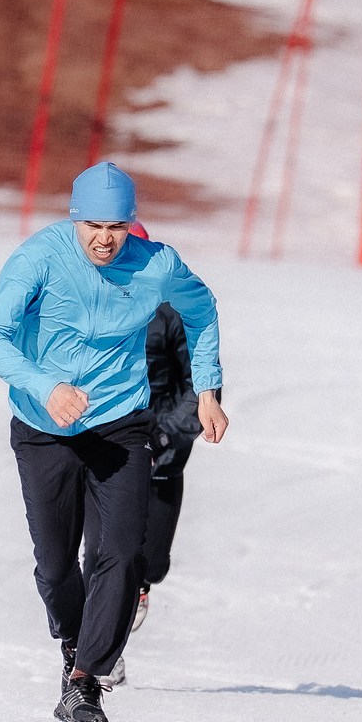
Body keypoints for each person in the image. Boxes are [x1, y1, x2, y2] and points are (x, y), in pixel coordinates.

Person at [0, 162, 228, 722]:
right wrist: (45, 386)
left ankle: (86, 681)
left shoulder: (157, 263)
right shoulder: (38, 257)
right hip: (45, 426)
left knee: (120, 551)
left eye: (117, 226)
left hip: (120, 422)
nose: (106, 239)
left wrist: (208, 389)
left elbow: (203, 310)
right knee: (57, 563)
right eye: (93, 225)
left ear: (130, 223)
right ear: (74, 218)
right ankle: (72, 641)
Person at [100, 219, 210, 692]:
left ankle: (134, 600)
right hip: (108, 450)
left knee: (147, 561)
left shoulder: (175, 313)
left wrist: (162, 439)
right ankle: (102, 650)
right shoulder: (93, 304)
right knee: (103, 556)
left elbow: (198, 389)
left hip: (162, 458)